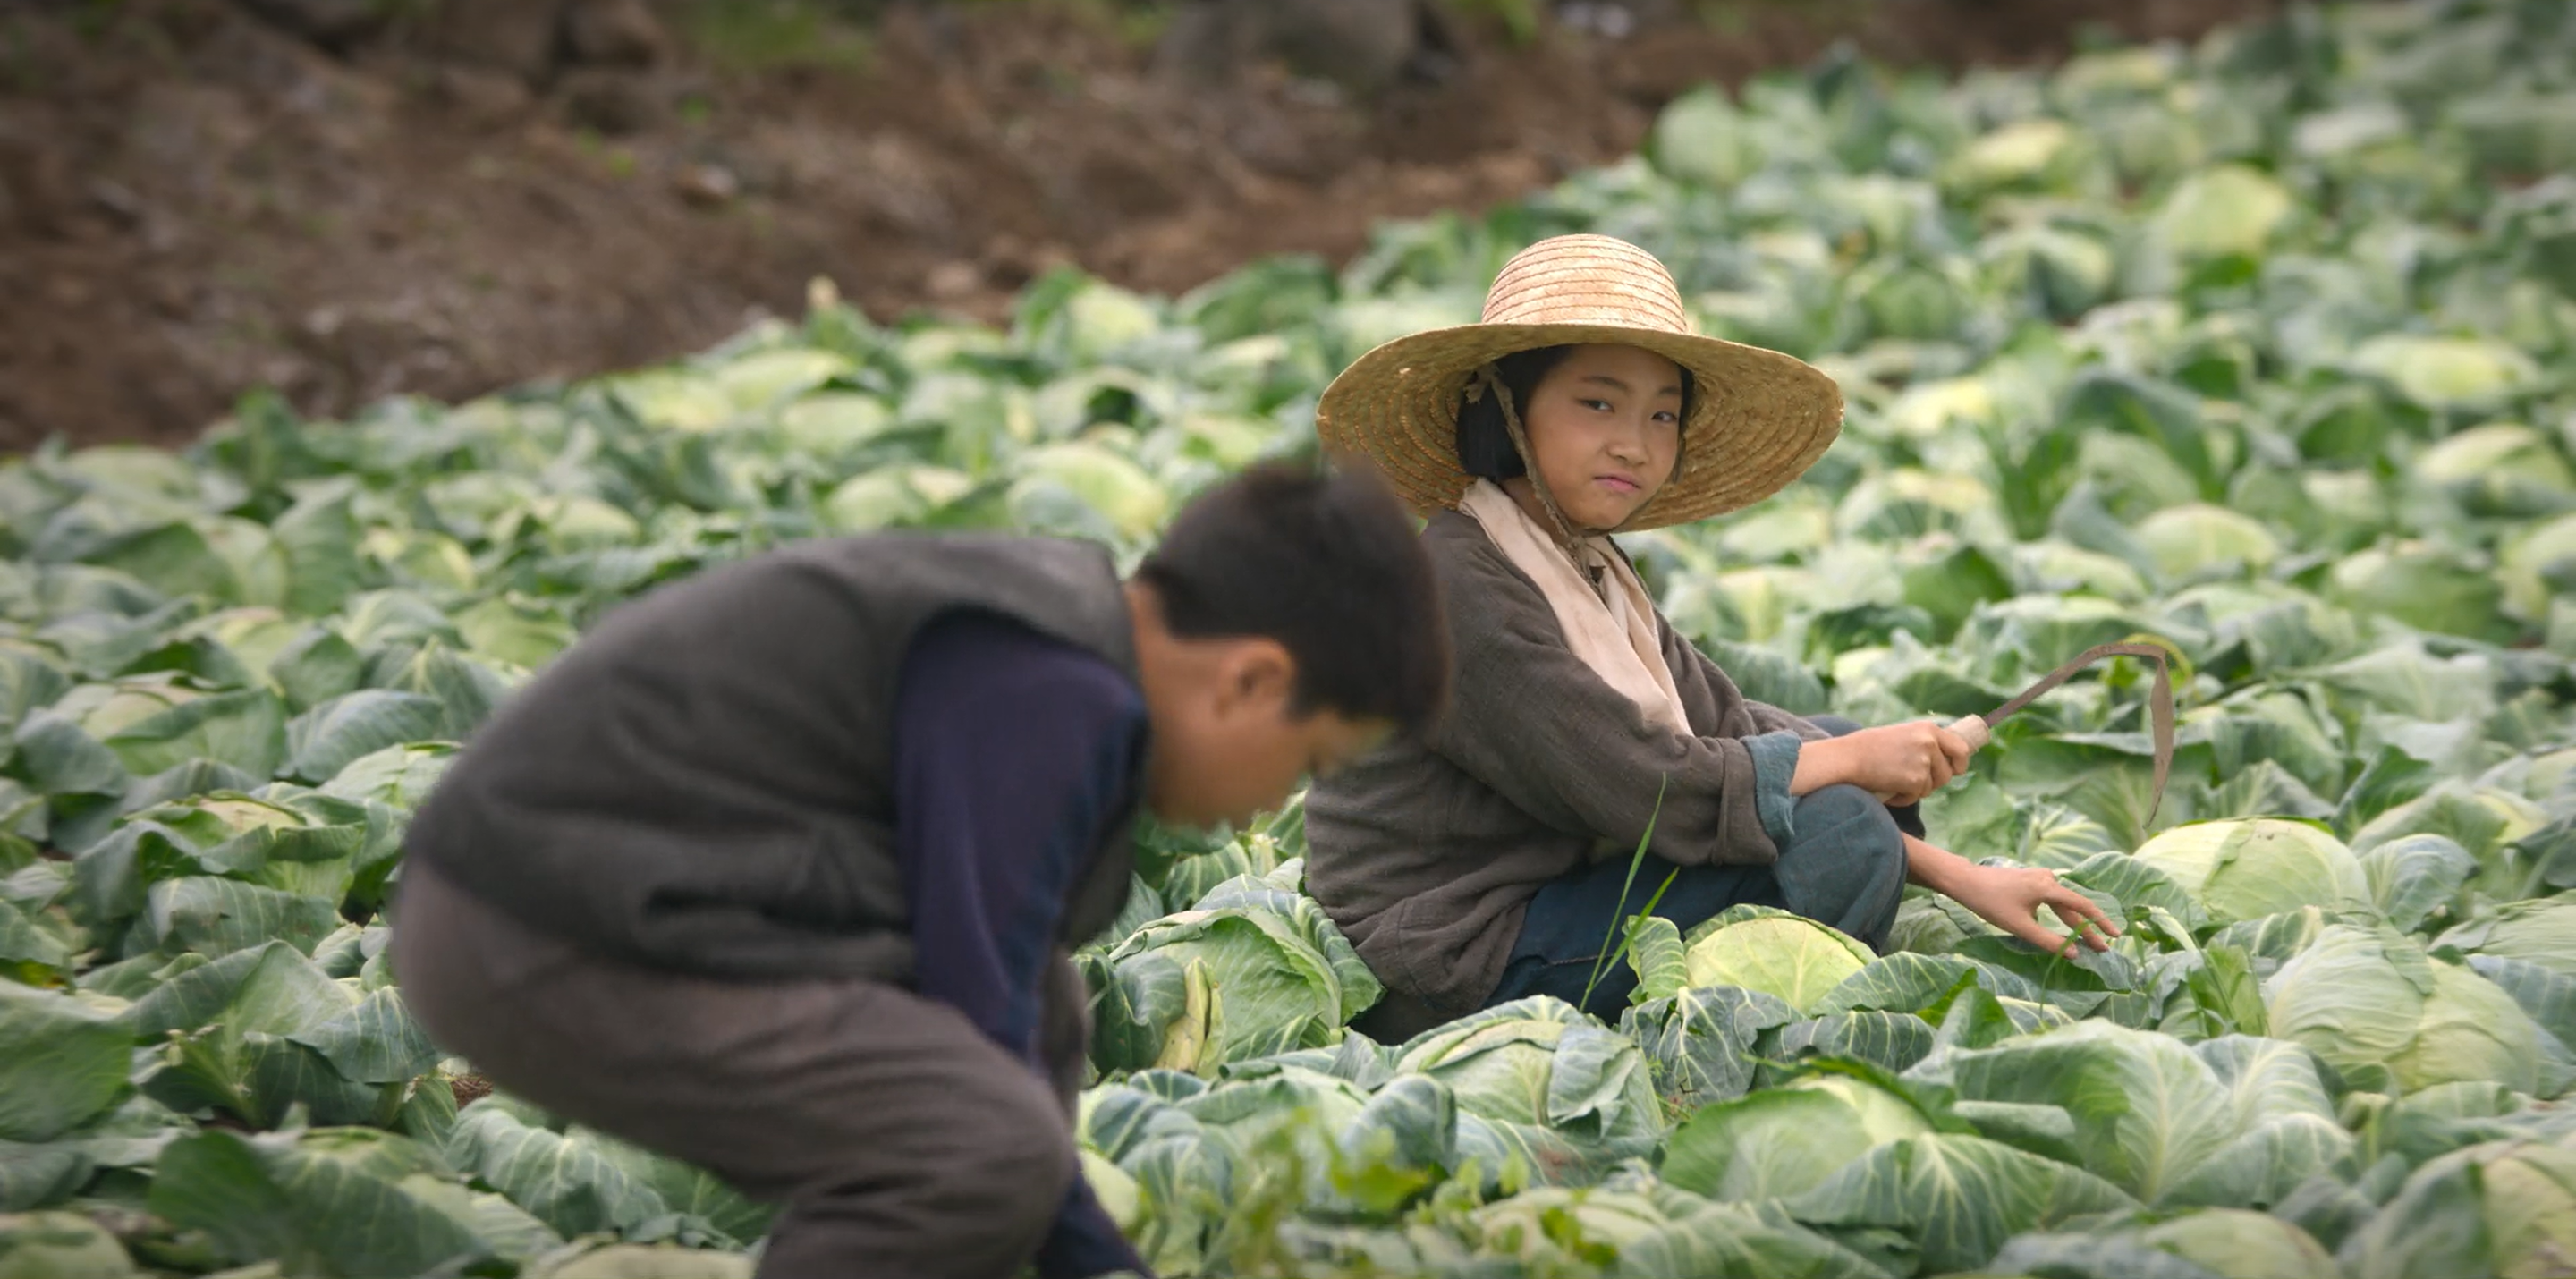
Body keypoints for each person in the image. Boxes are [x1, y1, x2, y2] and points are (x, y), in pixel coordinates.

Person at [388, 461, 1449, 1279]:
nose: (1277, 805)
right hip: (531, 922)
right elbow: (974, 1017)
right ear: (1251, 681)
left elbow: (1014, 1010)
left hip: (586, 908)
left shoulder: (1063, 654)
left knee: (1048, 1027)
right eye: (1308, 762)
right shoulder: (1053, 687)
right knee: (973, 1144)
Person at [1302, 233, 2118, 1043]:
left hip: (1550, 894)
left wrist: (1959, 873)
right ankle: (1755, 1042)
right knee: (1842, 831)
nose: (1636, 443)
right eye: (1598, 403)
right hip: (1451, 961)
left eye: (1663, 415)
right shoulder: (1453, 588)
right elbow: (1644, 784)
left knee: (1827, 748)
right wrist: (1858, 772)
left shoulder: (1578, 563)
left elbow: (1720, 720)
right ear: (1503, 407)